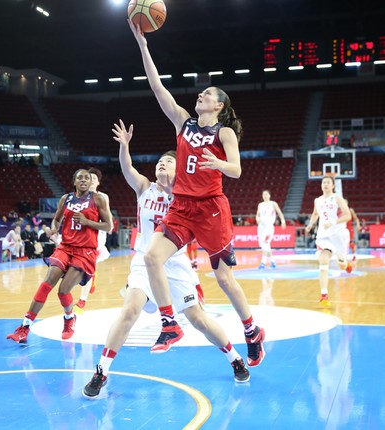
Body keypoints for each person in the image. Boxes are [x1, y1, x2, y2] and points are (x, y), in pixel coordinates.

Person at [128, 20, 266, 367]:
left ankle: (251, 330)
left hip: (211, 209)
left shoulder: (225, 134)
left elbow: (236, 169)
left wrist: (215, 164)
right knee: (150, 257)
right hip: (182, 207)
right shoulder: (183, 122)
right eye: (201, 94)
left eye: (208, 95)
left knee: (223, 277)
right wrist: (144, 46)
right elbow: (158, 87)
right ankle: (169, 322)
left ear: (218, 106)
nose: (200, 95)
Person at [82, 122, 250, 399]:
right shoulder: (145, 188)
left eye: (168, 162)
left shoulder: (188, 196)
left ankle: (234, 358)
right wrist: (124, 146)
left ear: (180, 168)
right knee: (129, 311)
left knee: (199, 320)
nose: (161, 164)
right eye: (159, 161)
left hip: (176, 263)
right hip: (145, 260)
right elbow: (127, 169)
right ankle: (101, 370)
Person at [6, 169, 112, 343]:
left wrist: (87, 222)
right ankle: (24, 327)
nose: (84, 180)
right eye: (80, 178)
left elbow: (108, 226)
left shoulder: (98, 199)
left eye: (87, 178)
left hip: (85, 251)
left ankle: (69, 318)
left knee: (63, 291)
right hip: (65, 247)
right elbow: (56, 219)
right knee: (47, 283)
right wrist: (55, 228)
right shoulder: (66, 198)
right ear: (74, 181)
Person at [305, 176, 354, 306]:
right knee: (323, 260)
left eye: (328, 182)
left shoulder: (337, 198)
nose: (325, 184)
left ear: (333, 185)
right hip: (323, 236)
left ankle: (346, 263)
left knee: (341, 264)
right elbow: (316, 214)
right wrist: (310, 225)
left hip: (338, 234)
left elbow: (348, 216)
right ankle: (324, 295)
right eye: (323, 182)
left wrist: (333, 222)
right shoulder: (318, 200)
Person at [74, 167, 113, 313]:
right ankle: (92, 277)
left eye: (93, 179)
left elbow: (107, 213)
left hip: (97, 237)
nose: (90, 181)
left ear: (97, 183)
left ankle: (82, 301)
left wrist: (109, 224)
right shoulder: (78, 197)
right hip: (81, 237)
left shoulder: (103, 197)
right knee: (78, 268)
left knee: (86, 269)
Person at [256, 189, 286, 269]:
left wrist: (283, 221)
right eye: (263, 194)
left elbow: (279, 213)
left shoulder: (273, 204)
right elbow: (257, 215)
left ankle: (263, 263)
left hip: (269, 227)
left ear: (269, 195)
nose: (265, 196)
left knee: (266, 243)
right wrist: (257, 219)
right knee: (265, 246)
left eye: (266, 194)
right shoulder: (260, 205)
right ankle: (273, 262)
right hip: (261, 227)